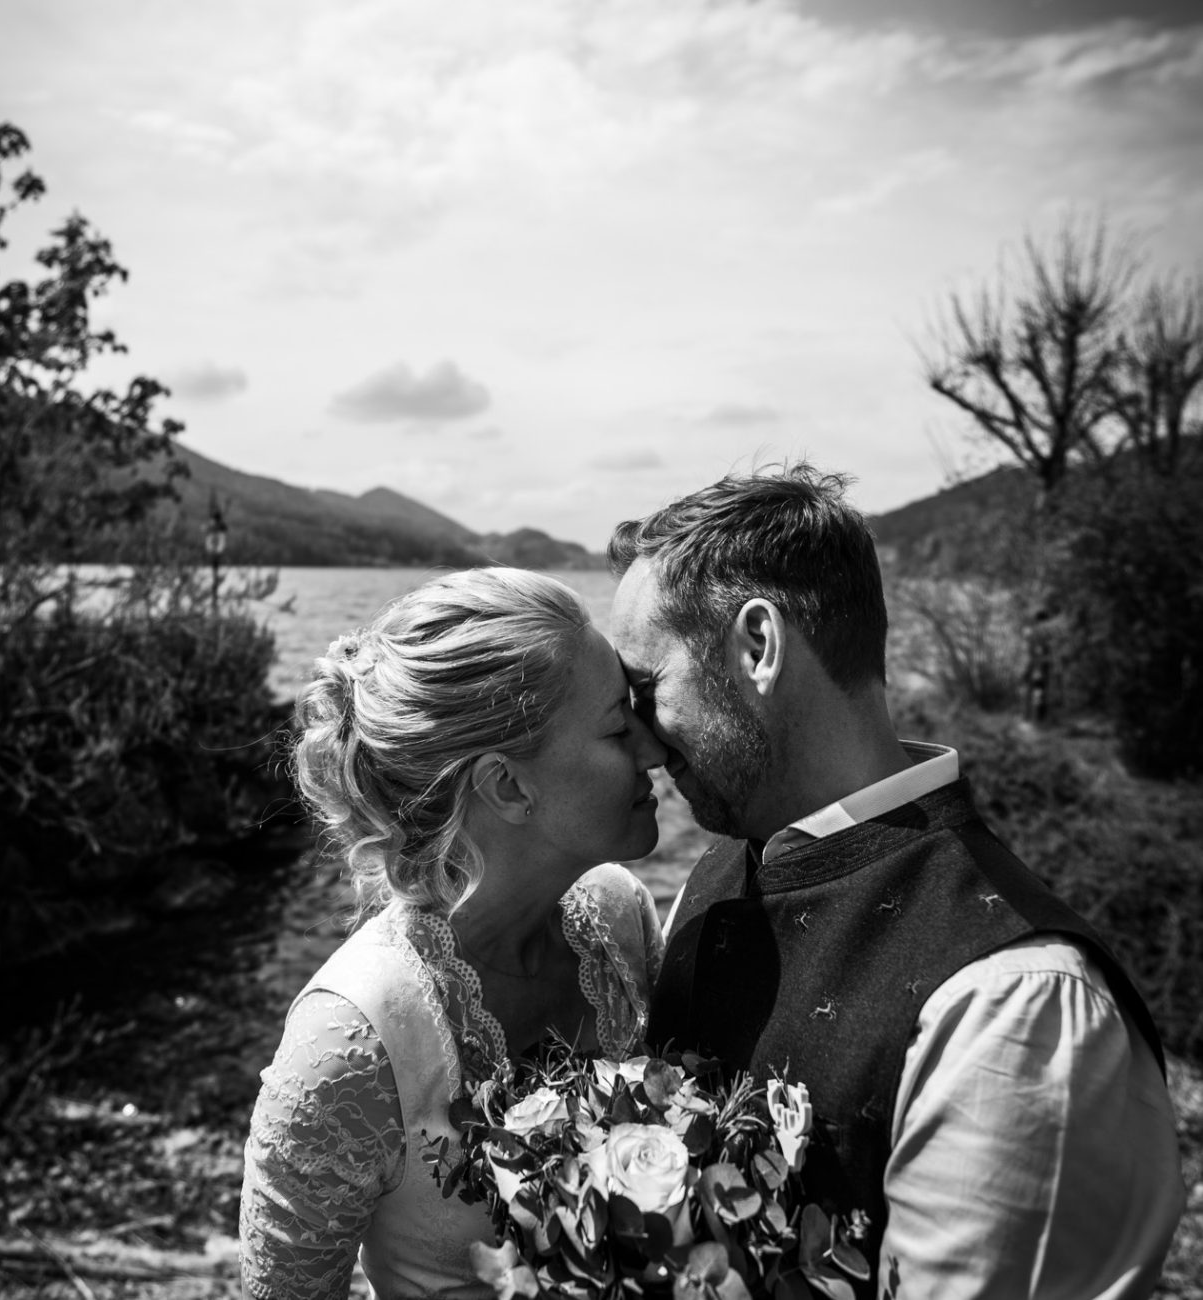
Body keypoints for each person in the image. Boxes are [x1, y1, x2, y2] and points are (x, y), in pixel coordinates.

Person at [609, 466, 1185, 1300]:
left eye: (647, 688)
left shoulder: (1018, 1009)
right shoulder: (718, 873)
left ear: (758, 647)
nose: (645, 746)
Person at [239, 567, 667, 1299]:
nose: (653, 751)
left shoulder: (621, 920)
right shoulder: (355, 1038)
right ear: (507, 785)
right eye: (616, 727)